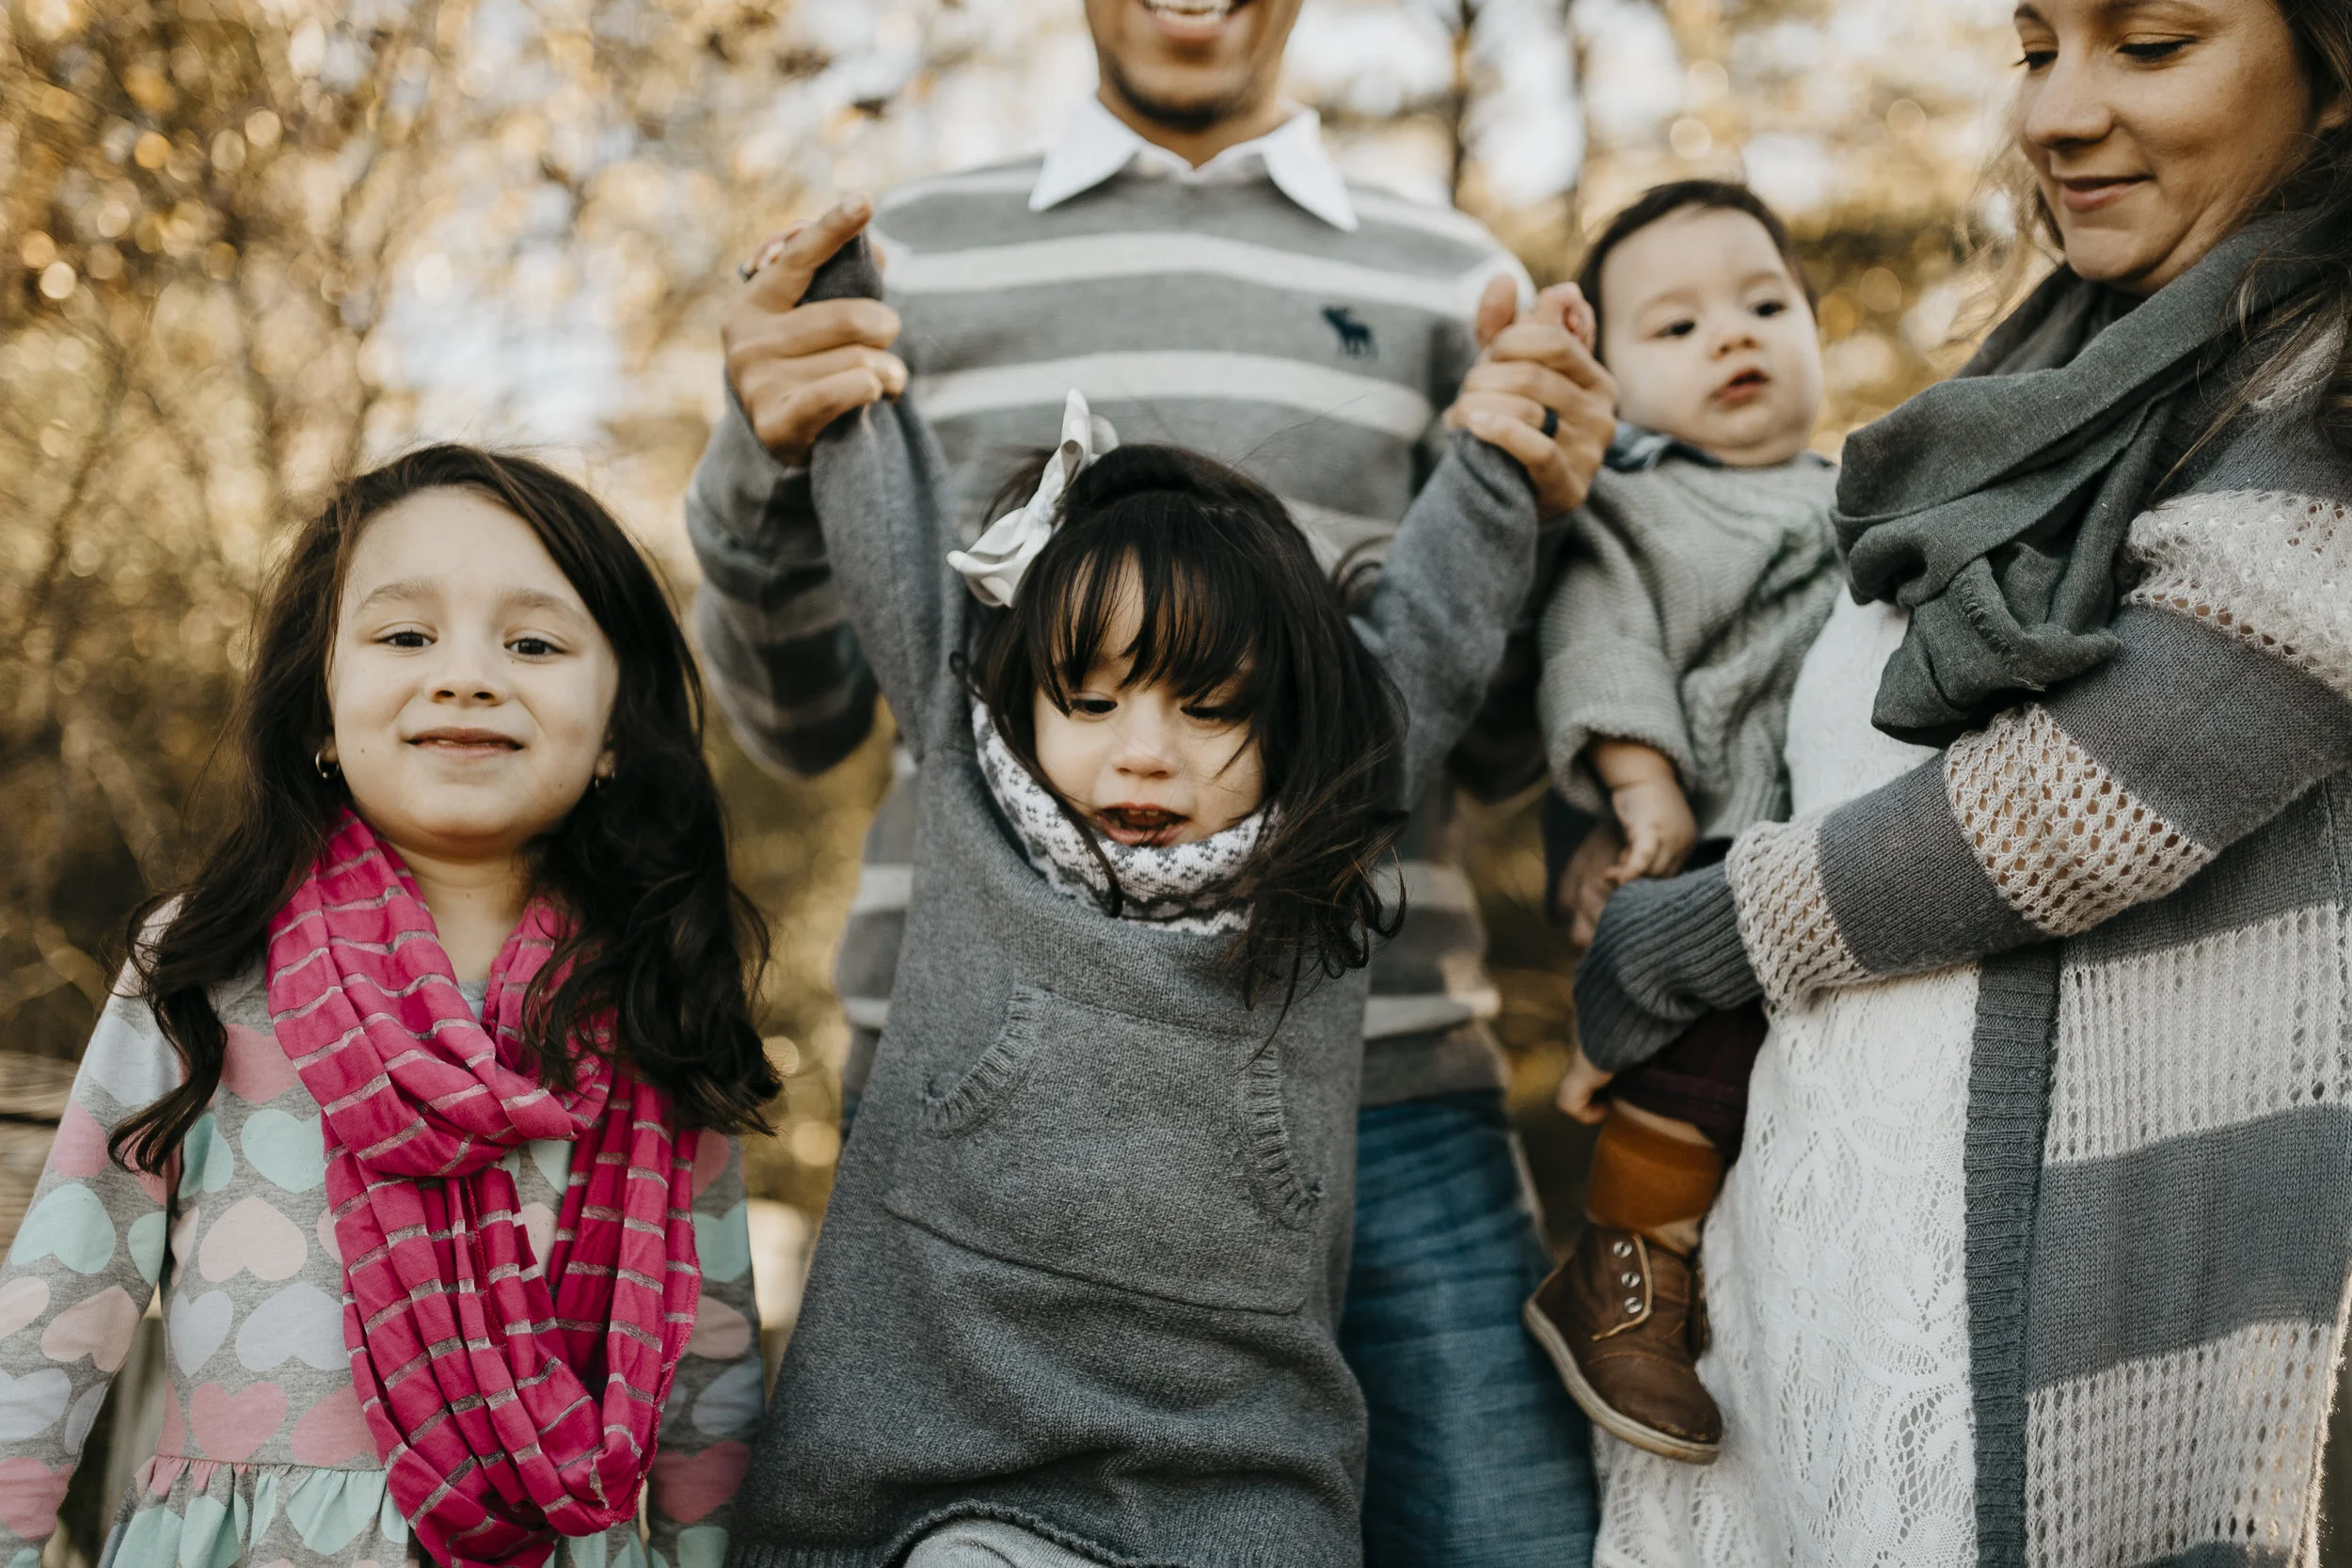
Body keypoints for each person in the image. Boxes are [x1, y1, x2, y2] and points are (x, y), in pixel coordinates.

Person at [690, 1, 1616, 1559]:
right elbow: (797, 720)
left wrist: (1540, 498)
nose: (1141, 741)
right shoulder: (911, 251)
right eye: (1096, 693)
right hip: (980, 1119)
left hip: (1382, 1097)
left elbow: (1474, 717)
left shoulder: (1456, 272)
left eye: (1202, 701)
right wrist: (757, 462)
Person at [1547, 0, 2352, 1560]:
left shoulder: (2324, 397)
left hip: (2025, 1344)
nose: (2055, 114)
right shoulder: (2060, 376)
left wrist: (1682, 943)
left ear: (2332, 73)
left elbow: (2084, 801)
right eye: (2039, 46)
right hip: (1805, 1274)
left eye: (2154, 41)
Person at [0, 448, 776, 1567]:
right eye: (406, 635)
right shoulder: (207, 963)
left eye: (534, 643)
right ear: (318, 701)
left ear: (615, 727)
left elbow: (708, 1375)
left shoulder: (654, 1001)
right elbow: (62, 1301)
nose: (465, 675)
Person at [1508, 181, 1843, 1466]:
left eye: (1765, 305)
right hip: (1706, 834)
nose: (1734, 338)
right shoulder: (1628, 510)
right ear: (1611, 381)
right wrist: (1642, 786)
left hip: (1839, 843)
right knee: (1698, 1061)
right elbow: (1601, 645)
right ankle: (1620, 1268)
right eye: (1679, 326)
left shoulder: (1863, 492)